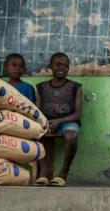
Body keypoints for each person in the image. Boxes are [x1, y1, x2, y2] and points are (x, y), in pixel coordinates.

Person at [35, 52, 82, 187]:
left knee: (71, 135)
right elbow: (37, 112)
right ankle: (44, 171)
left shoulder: (75, 87)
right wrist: (45, 123)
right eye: (58, 65)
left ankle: (63, 172)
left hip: (68, 121)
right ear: (51, 66)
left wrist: (59, 121)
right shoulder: (41, 87)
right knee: (34, 132)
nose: (62, 68)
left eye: (65, 65)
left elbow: (77, 114)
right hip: (46, 122)